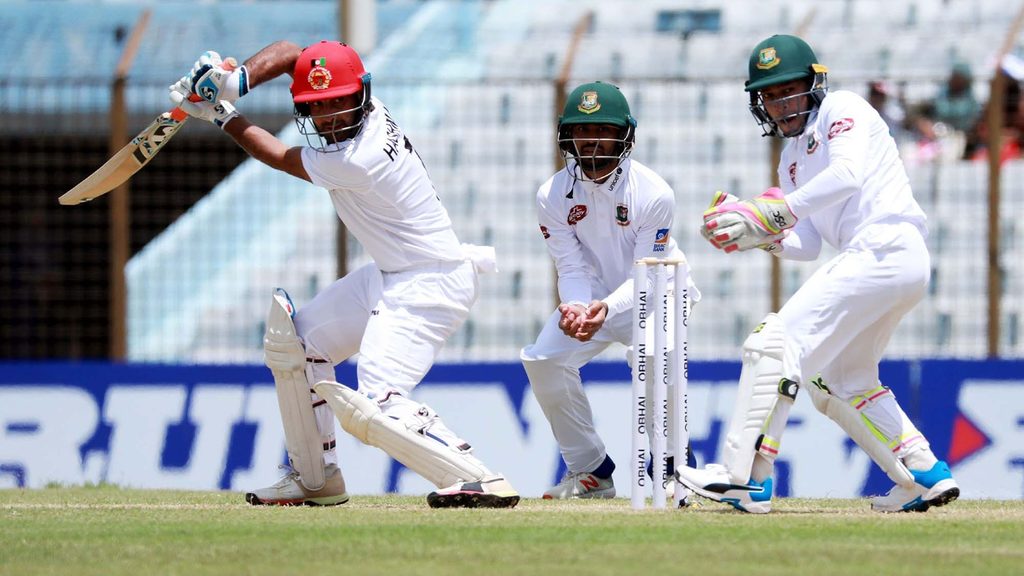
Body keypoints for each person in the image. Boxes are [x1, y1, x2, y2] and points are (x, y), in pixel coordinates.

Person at [169, 41, 519, 508]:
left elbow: (278, 156)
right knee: (297, 343)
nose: (331, 116)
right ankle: (315, 479)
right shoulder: (369, 109)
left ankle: (477, 476)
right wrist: (237, 81)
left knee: (378, 398)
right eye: (318, 107)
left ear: (362, 95)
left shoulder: (358, 157)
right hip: (394, 272)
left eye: (339, 102)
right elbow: (295, 53)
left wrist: (222, 113)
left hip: (431, 280)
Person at [676, 34, 959, 514]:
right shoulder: (790, 161)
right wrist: (757, 231)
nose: (779, 103)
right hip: (881, 260)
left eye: (788, 90)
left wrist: (772, 213)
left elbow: (846, 175)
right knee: (842, 379)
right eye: (767, 95)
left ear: (813, 84)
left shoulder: (842, 109)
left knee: (774, 343)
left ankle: (745, 478)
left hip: (885, 245)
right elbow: (806, 244)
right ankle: (924, 473)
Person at [520, 81, 699, 499]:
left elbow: (648, 271)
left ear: (625, 135)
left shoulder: (654, 193)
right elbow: (570, 265)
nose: (592, 142)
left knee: (652, 356)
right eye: (581, 132)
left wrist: (602, 306)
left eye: (602, 130)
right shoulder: (551, 195)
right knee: (543, 359)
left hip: (660, 292)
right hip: (597, 296)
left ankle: (673, 469)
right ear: (566, 137)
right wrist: (577, 307)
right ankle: (591, 471)